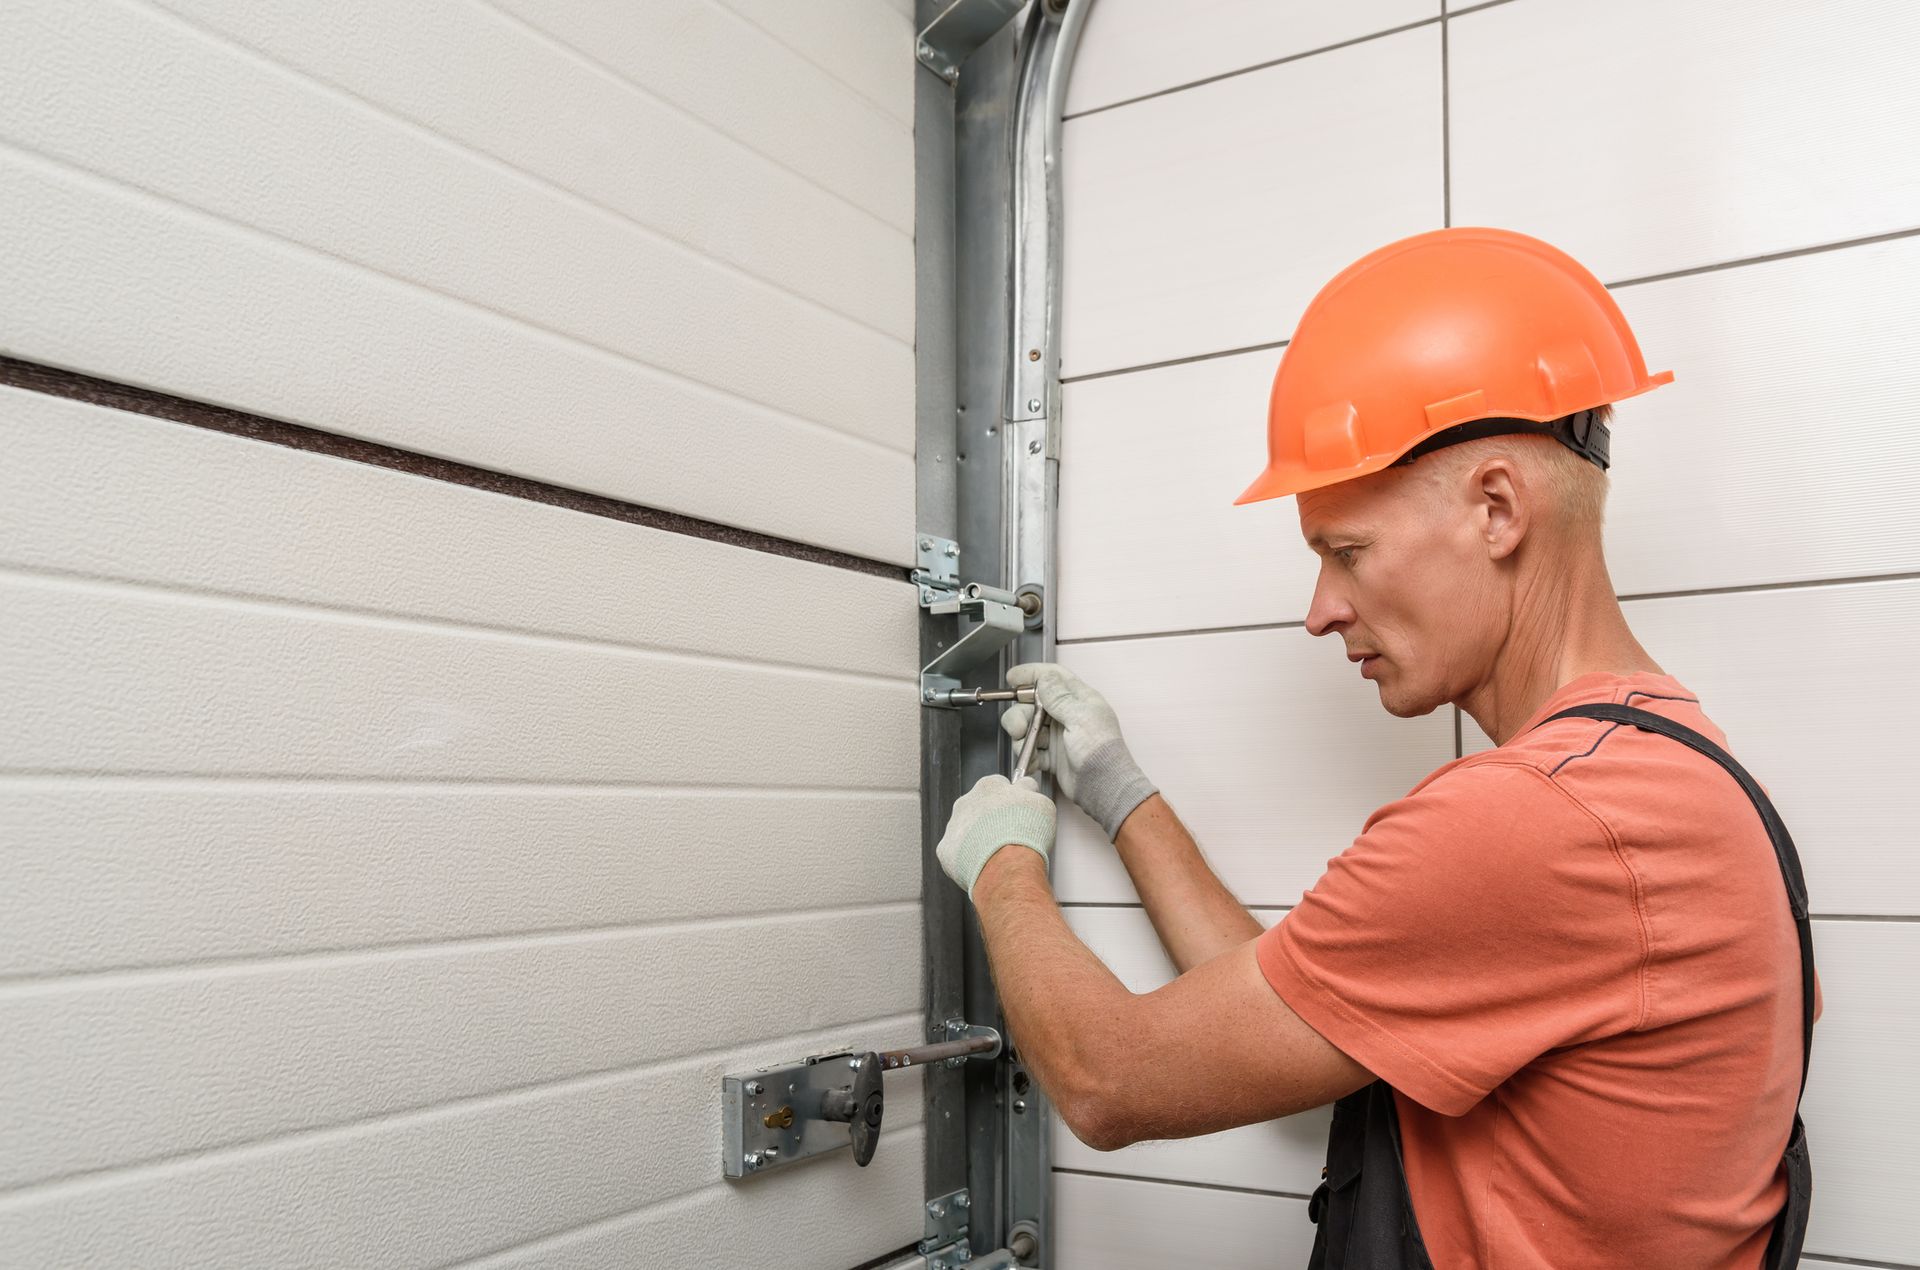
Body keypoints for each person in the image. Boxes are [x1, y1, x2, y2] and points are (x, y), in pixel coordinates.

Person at [933, 228, 1814, 1269]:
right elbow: (1298, 997)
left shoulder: (1532, 821)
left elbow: (1109, 1078)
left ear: (1497, 508)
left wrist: (1003, 862)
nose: (1320, 610)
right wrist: (1120, 793)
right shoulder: (1667, 771)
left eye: (1345, 552)